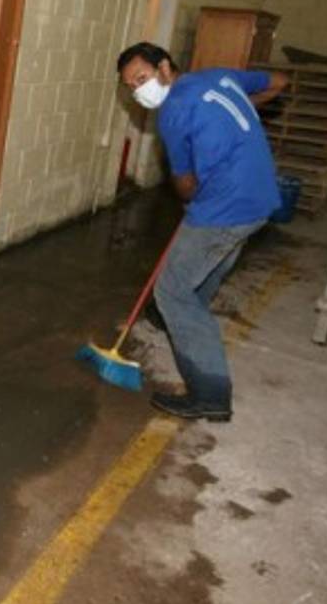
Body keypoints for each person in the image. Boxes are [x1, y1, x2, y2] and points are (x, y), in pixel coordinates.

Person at [116, 42, 288, 422]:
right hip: (260, 198)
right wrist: (234, 121)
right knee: (208, 266)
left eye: (141, 78)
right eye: (130, 86)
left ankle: (209, 393)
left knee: (173, 289)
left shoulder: (173, 112)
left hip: (225, 207)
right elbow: (279, 81)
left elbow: (185, 185)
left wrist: (194, 199)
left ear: (164, 67)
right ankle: (174, 317)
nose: (138, 91)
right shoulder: (219, 75)